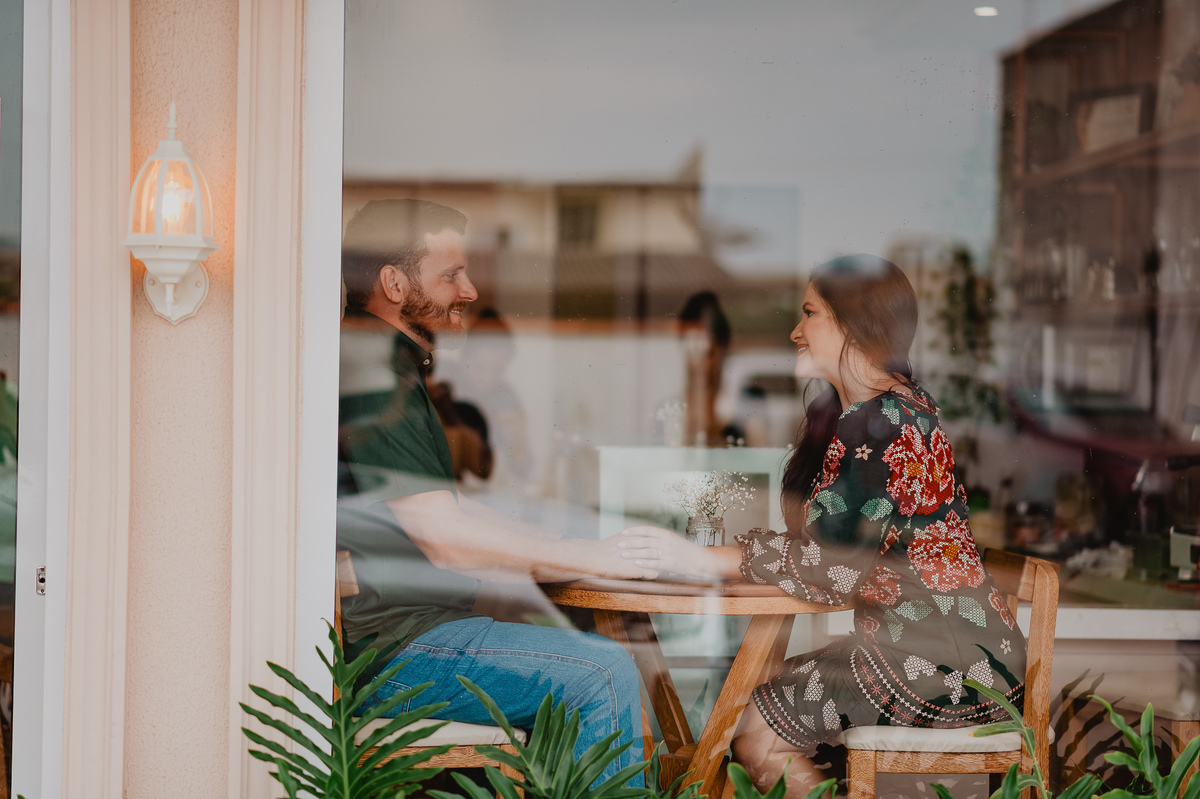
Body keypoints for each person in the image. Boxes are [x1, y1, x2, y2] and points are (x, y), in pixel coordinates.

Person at [619, 255, 1028, 796]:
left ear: (853, 326)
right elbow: (830, 551)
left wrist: (698, 557)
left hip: (939, 665)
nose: (795, 331)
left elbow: (832, 569)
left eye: (809, 313)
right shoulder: (899, 409)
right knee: (763, 696)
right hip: (967, 657)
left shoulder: (878, 423)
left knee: (757, 729)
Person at [336, 199, 652, 784]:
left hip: (415, 640)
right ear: (394, 282)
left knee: (583, 647)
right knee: (603, 673)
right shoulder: (375, 375)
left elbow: (445, 515)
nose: (471, 290)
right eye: (451, 274)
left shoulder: (390, 369)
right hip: (400, 658)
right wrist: (590, 554)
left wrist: (560, 540)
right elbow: (446, 540)